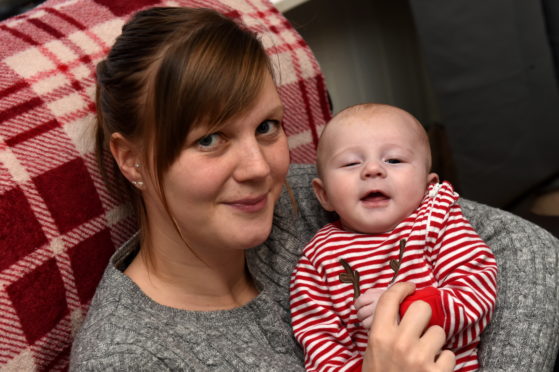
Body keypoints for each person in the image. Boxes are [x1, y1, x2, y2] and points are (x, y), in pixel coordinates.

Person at [69, 7, 455, 371]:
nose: (260, 169)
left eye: (266, 127)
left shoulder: (305, 200)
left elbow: (501, 236)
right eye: (210, 139)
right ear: (132, 159)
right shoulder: (128, 358)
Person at [290, 103, 497, 371]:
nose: (372, 169)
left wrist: (409, 308)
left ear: (428, 186)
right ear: (324, 194)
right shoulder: (316, 261)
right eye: (351, 162)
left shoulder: (436, 221)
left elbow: (476, 290)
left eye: (394, 160)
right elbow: (323, 353)